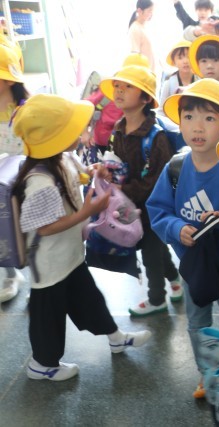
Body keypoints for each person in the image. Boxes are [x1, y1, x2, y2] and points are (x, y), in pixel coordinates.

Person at [11, 94, 152, 381]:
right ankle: (42, 364)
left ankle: (115, 337)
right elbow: (44, 228)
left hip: (69, 258)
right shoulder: (39, 181)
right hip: (49, 268)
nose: (82, 133)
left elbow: (79, 177)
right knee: (48, 317)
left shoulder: (63, 158)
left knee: (90, 299)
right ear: (54, 139)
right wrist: (87, 212)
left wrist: (93, 172)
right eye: (72, 130)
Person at [146, 78, 219, 398]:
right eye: (188, 117)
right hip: (193, 267)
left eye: (209, 118)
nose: (197, 127)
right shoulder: (175, 168)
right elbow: (157, 211)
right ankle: (207, 373)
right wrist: (175, 229)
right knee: (197, 323)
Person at [100, 63, 182, 316]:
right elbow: (117, 161)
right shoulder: (119, 128)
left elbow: (158, 180)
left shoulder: (156, 136)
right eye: (117, 86)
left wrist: (124, 189)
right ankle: (175, 279)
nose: (119, 90)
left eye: (128, 87)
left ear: (146, 98)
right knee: (154, 248)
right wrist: (108, 173)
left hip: (154, 208)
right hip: (130, 205)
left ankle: (157, 299)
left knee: (150, 252)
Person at [0, 43, 28, 303]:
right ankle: (11, 274)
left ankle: (40, 283)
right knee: (3, 231)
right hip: (1, 184)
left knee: (31, 230)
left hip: (26, 180)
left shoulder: (25, 110)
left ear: (9, 80)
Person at [158, 39, 195, 111]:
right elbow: (161, 110)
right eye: (180, 58)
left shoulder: (201, 81)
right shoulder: (169, 84)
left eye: (188, 56)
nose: (185, 61)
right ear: (174, 62)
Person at [128, 0, 156, 73]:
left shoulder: (145, 27)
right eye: (149, 11)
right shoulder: (135, 28)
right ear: (139, 11)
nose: (151, 14)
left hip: (151, 73)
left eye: (152, 11)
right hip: (143, 74)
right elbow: (135, 54)